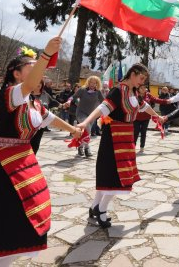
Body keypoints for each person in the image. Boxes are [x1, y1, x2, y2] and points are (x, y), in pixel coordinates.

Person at [0, 40, 82, 266]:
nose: (39, 75)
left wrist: (74, 130)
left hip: (22, 168)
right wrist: (47, 55)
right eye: (32, 69)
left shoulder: (34, 104)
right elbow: (31, 85)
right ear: (17, 73)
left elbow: (50, 119)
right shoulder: (12, 94)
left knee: (18, 232)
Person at [77, 63, 161, 228]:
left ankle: (95, 206)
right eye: (141, 78)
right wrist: (86, 122)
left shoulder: (134, 92)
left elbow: (145, 107)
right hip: (113, 138)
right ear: (133, 73)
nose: (142, 82)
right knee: (114, 175)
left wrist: (158, 117)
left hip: (127, 137)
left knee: (113, 174)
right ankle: (102, 209)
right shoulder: (118, 91)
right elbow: (102, 108)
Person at [69, 76, 104, 157]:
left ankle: (80, 147)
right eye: (91, 82)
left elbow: (104, 102)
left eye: (94, 83)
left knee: (86, 131)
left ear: (97, 84)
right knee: (87, 128)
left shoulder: (98, 92)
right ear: (88, 82)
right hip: (81, 112)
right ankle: (87, 148)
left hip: (92, 115)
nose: (92, 84)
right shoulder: (82, 90)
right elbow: (74, 97)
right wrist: (77, 102)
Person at [133, 85, 169, 152]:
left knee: (144, 132)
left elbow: (156, 100)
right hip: (136, 117)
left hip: (146, 117)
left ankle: (142, 147)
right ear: (138, 89)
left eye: (144, 87)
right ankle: (133, 147)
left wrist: (166, 101)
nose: (144, 89)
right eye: (142, 88)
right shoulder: (135, 95)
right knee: (136, 132)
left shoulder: (148, 95)